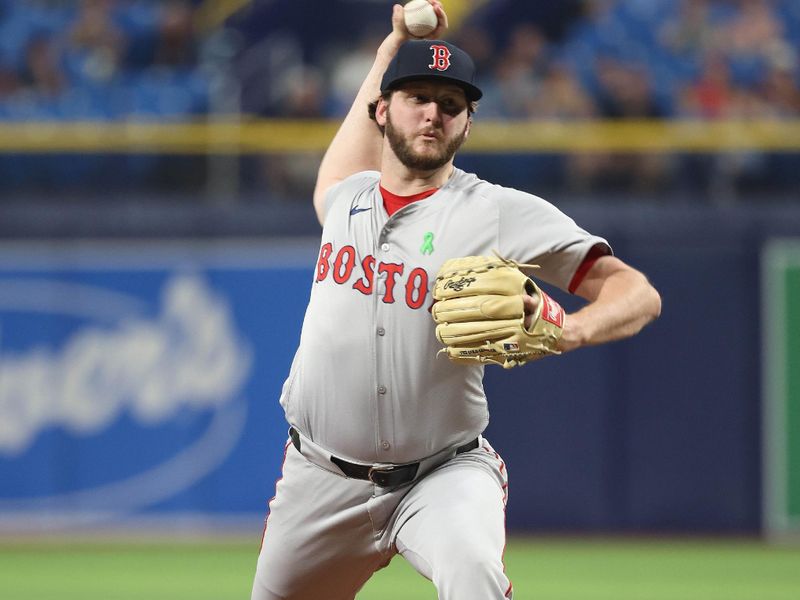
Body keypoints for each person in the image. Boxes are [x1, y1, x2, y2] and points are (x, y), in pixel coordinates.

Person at [250, 3, 661, 599]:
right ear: (382, 109)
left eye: (452, 105)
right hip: (319, 479)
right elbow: (335, 167)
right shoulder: (346, 199)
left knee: (474, 574)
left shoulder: (495, 211)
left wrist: (568, 329)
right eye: (418, 96)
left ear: (468, 124)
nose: (433, 114)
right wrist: (392, 45)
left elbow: (637, 293)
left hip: (441, 474)